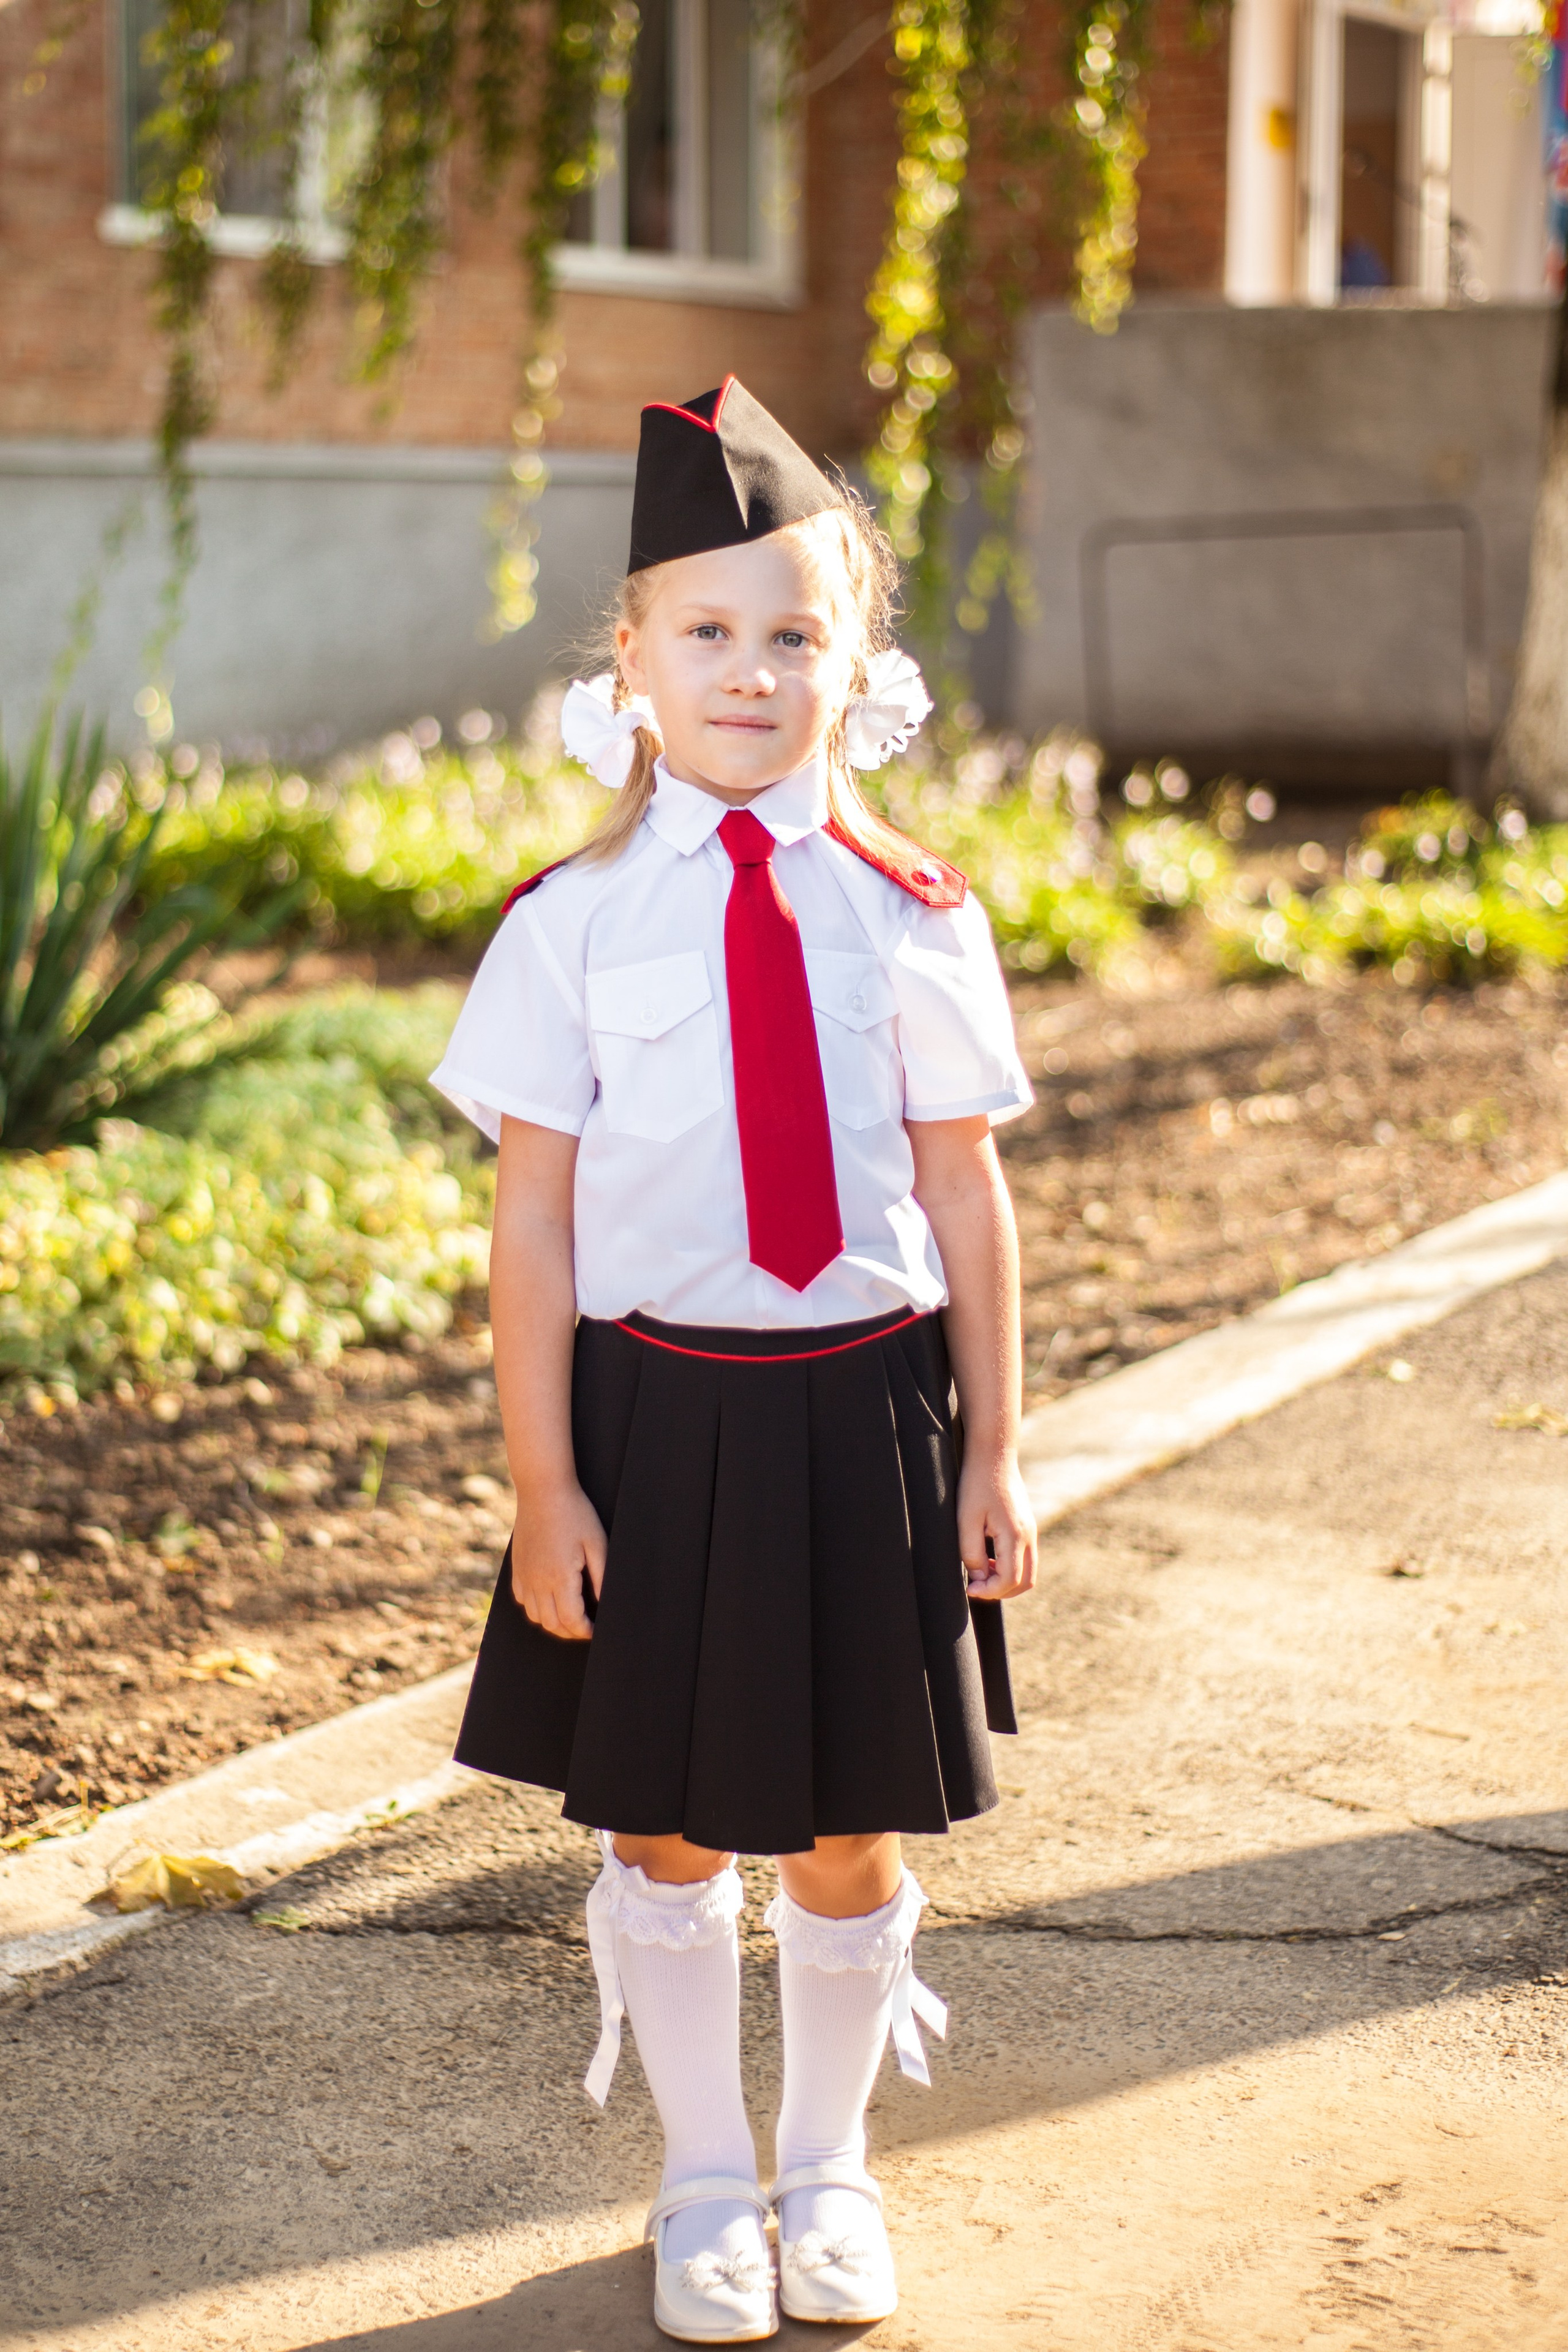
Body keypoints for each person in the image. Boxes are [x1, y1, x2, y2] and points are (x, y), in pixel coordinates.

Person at [432, 376, 1038, 2344]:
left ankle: (827, 2170)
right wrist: (547, 1480)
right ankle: (705, 2179)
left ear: (855, 668)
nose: (751, 671)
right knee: (670, 1819)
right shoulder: (574, 927)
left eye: (795, 634)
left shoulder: (916, 917)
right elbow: (532, 1222)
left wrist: (995, 1459)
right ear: (630, 664)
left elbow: (962, 1206)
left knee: (855, 1822)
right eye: (707, 630)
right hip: (653, 1419)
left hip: (869, 1414)